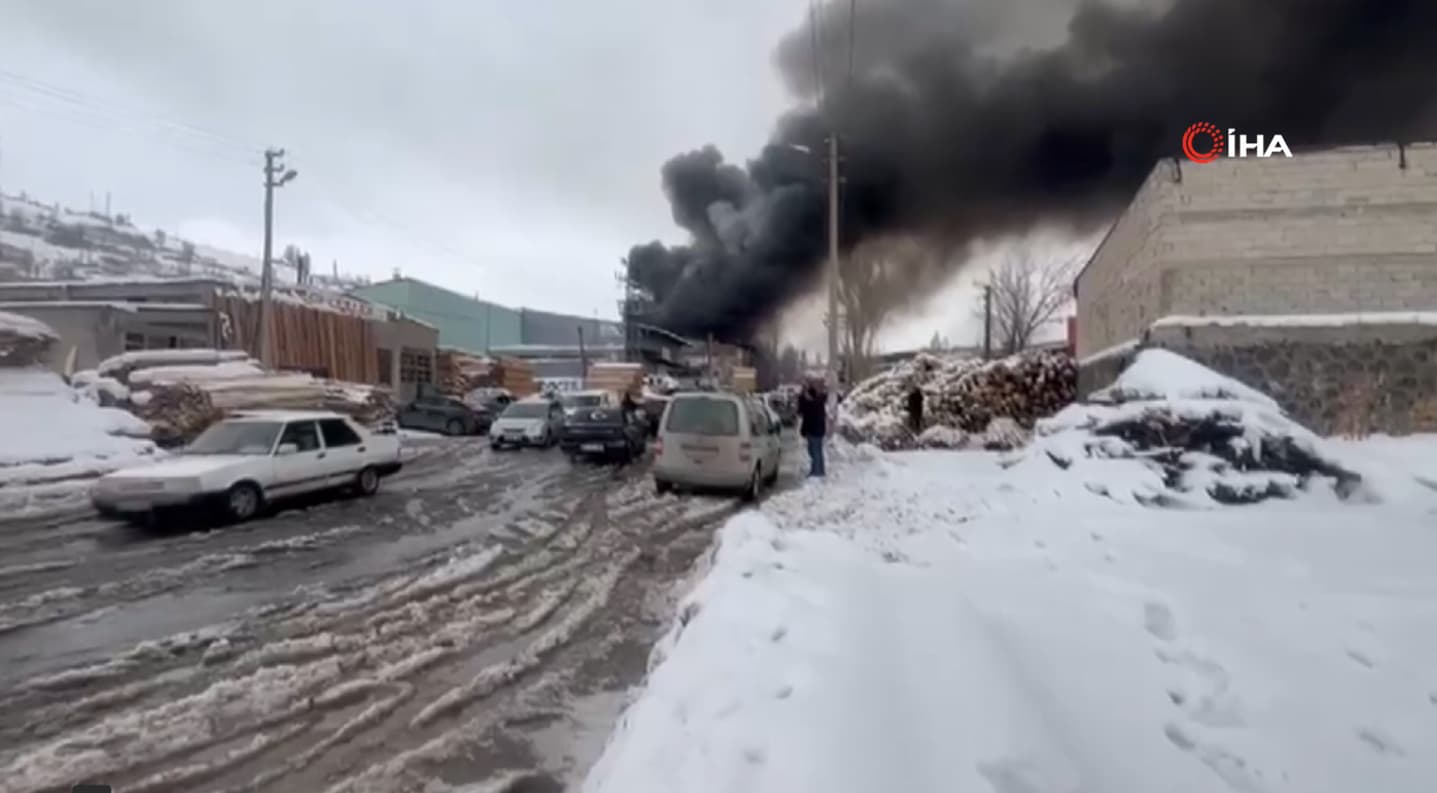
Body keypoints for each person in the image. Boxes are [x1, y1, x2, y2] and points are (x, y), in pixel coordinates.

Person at [798, 376, 828, 478]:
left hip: (814, 430)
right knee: (815, 450)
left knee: (815, 451)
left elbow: (803, 410)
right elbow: (802, 408)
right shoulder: (817, 401)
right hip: (817, 429)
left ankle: (817, 472)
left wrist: (804, 393)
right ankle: (818, 470)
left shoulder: (814, 403)